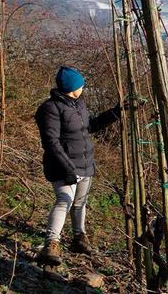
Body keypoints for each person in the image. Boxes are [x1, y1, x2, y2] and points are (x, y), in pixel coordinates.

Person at [35, 66, 122, 266]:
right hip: (62, 166)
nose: (83, 86)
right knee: (64, 200)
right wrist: (68, 169)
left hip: (84, 163)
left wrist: (115, 113)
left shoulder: (78, 104)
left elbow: (90, 126)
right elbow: (51, 143)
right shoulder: (50, 109)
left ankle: (79, 237)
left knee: (79, 203)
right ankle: (51, 244)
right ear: (72, 87)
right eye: (80, 84)